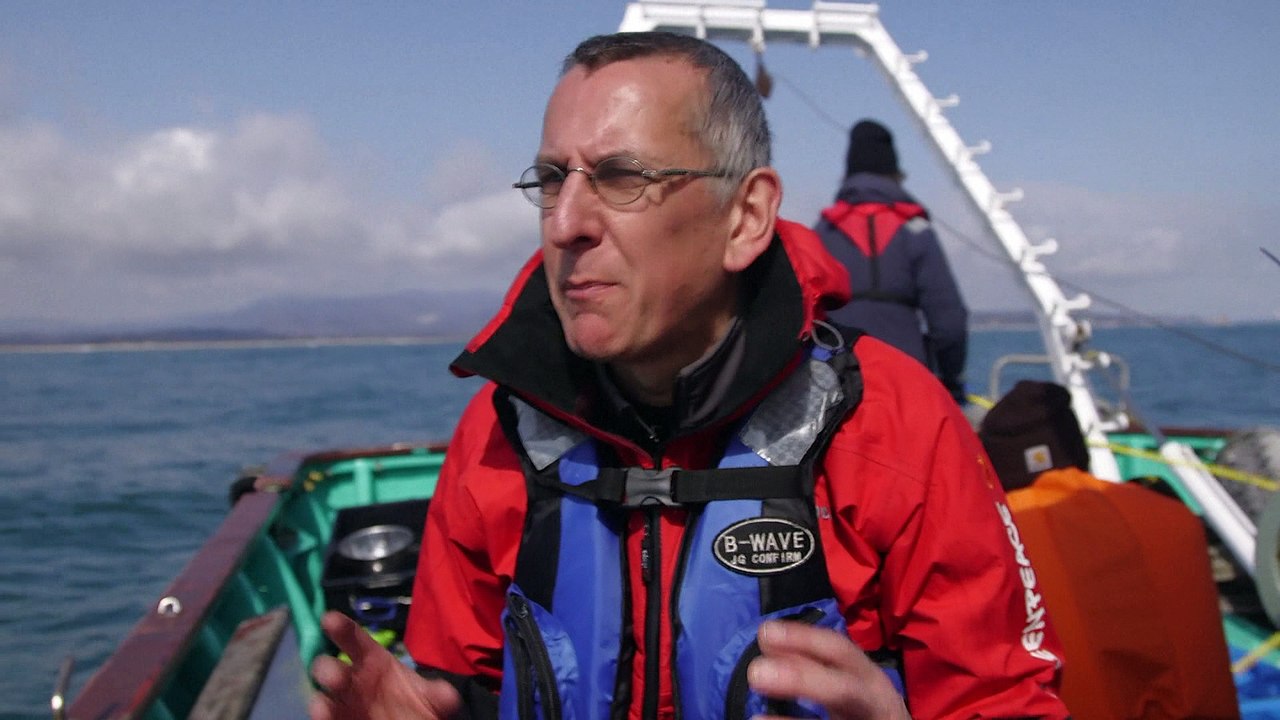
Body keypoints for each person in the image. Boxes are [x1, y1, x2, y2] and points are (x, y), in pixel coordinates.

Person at [310, 31, 1068, 720]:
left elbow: (1005, 700)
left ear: (744, 218)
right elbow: (462, 680)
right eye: (550, 178)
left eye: (621, 176)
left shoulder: (896, 425)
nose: (566, 221)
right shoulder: (501, 429)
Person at [814, 119, 969, 405]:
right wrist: (951, 380)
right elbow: (950, 324)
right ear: (894, 173)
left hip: (836, 386)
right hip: (907, 384)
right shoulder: (916, 231)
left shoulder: (823, 232)